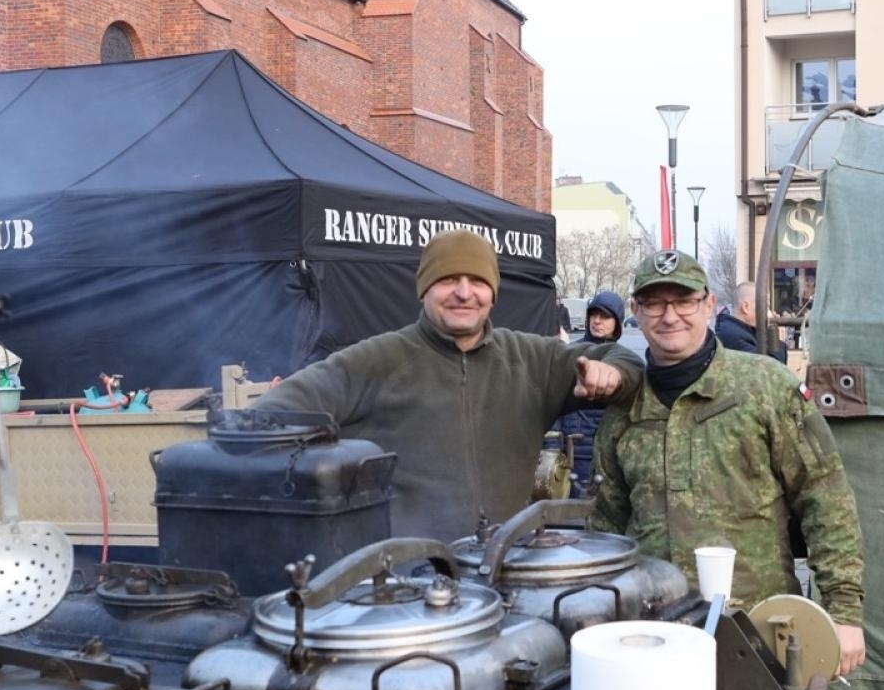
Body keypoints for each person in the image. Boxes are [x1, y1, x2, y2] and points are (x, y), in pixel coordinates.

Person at [257, 230, 642, 541]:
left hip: (504, 570)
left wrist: (613, 375)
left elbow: (624, 361)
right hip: (404, 582)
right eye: (447, 280)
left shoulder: (530, 360)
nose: (463, 292)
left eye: (477, 281)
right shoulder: (375, 361)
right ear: (424, 289)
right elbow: (268, 417)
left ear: (492, 293)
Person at [589, 250, 867, 674]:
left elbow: (824, 499)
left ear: (708, 304)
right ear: (636, 313)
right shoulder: (624, 412)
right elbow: (607, 527)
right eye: (655, 303)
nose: (670, 316)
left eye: (683, 301)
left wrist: (844, 612)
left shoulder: (764, 388)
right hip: (654, 640)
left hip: (759, 635)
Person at [553, 291, 629, 495]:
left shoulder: (623, 360)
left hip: (609, 452)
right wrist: (552, 446)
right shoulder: (571, 353)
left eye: (605, 316)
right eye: (594, 315)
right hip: (574, 448)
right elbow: (555, 400)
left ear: (617, 323)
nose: (597, 321)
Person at [714, 281, 788, 363]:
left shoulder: (743, 331)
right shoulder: (733, 336)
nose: (769, 313)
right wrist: (775, 340)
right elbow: (770, 370)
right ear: (746, 307)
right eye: (765, 307)